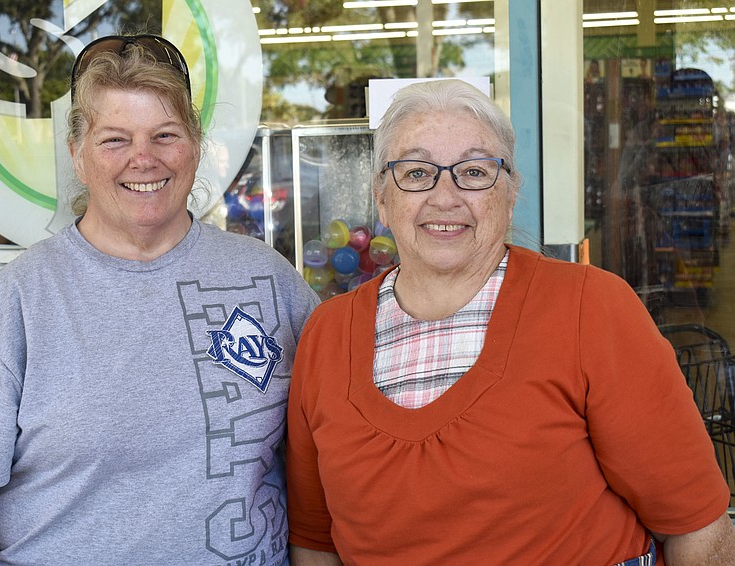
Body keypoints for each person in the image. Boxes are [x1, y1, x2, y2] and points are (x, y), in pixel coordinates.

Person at [285, 79, 735, 565]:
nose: (445, 197)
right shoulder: (326, 335)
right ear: (381, 196)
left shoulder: (591, 308)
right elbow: (315, 542)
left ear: (511, 190)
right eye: (416, 173)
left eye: (474, 171)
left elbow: (696, 528)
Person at [0, 34, 319, 565]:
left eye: (165, 135)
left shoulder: (268, 280)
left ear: (195, 148)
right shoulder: (19, 301)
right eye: (114, 140)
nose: (143, 159)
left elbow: (333, 445)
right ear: (77, 156)